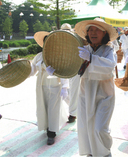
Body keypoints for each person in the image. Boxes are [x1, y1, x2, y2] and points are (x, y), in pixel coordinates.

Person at [74, 18, 117, 156]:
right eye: (90, 30)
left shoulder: (108, 50)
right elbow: (72, 67)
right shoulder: (83, 50)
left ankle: (104, 153)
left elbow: (110, 66)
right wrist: (58, 70)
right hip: (85, 93)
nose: (93, 32)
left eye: (97, 29)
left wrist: (92, 59)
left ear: (104, 33)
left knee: (100, 128)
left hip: (104, 95)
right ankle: (90, 153)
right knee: (85, 126)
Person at [30, 31, 69, 145]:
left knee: (53, 109)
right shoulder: (39, 56)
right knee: (43, 107)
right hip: (41, 86)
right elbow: (32, 70)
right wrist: (22, 71)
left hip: (55, 86)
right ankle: (46, 126)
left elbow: (63, 71)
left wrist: (65, 87)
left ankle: (51, 133)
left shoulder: (58, 55)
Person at [60, 23, 79, 123]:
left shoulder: (75, 40)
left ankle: (72, 114)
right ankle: (74, 109)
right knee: (63, 90)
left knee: (74, 90)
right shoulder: (59, 42)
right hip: (63, 68)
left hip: (75, 68)